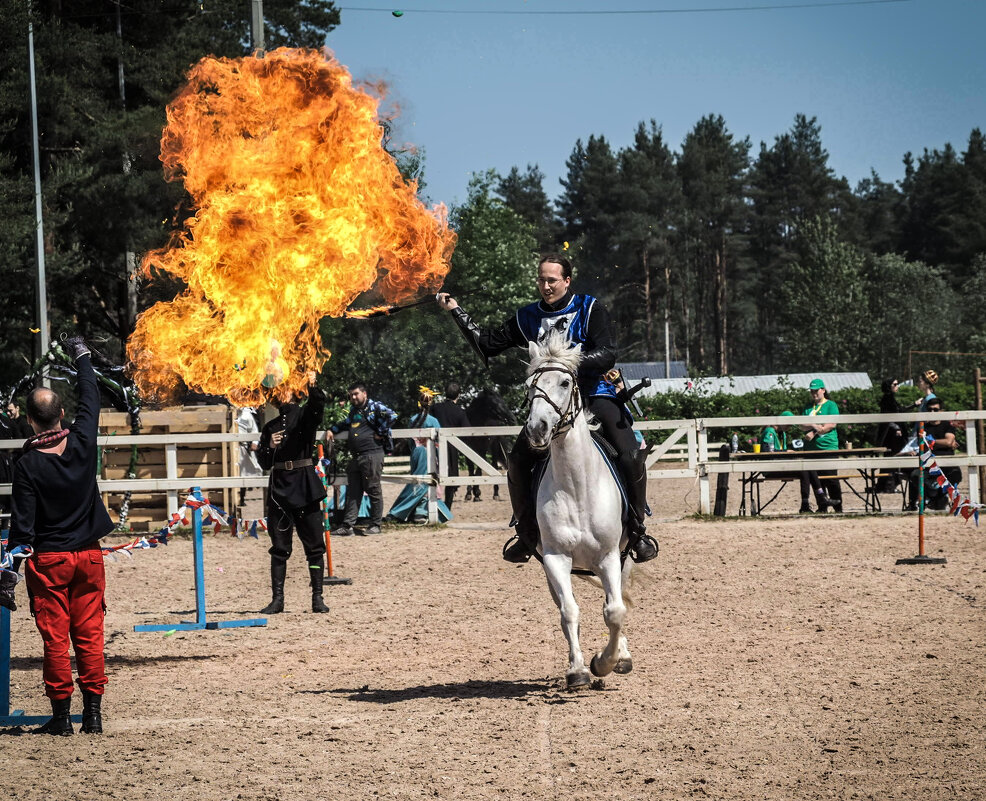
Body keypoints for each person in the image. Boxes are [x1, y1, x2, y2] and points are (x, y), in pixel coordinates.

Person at [437, 253, 658, 564]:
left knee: (631, 453)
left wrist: (566, 364)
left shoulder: (590, 308)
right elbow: (487, 343)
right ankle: (526, 534)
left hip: (595, 394)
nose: (545, 285)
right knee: (515, 459)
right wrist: (455, 310)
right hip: (550, 404)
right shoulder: (526, 317)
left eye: (552, 280)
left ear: (566, 280)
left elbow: (608, 353)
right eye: (541, 279)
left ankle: (637, 531)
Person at [7, 336, 110, 736]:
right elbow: (91, 398)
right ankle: (95, 717)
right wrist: (82, 356)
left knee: (55, 640)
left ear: (30, 421)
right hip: (89, 556)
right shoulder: (83, 440)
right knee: (90, 635)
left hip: (49, 562)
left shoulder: (27, 464)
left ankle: (62, 719)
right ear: (62, 414)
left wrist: (9, 573)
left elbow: (23, 527)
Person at [255, 373, 330, 614]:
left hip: (305, 487)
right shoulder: (270, 427)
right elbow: (264, 462)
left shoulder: (304, 417)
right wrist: (271, 446)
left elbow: (317, 407)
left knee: (315, 547)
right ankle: (278, 600)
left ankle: (317, 597)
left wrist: (313, 384)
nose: (277, 395)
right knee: (279, 547)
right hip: (280, 491)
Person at [326, 383, 398, 537]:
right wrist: (332, 430)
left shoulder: (375, 406)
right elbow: (345, 424)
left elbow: (392, 415)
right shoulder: (354, 412)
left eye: (356, 394)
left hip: (372, 454)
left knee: (373, 489)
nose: (353, 397)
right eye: (351, 394)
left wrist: (381, 432)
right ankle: (347, 526)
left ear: (364, 393)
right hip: (357, 456)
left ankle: (376, 525)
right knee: (353, 491)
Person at [387, 387, 452, 522]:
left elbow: (411, 442)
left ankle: (413, 512)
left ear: (419, 402)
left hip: (416, 453)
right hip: (430, 455)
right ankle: (420, 512)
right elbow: (439, 441)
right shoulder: (434, 421)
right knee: (427, 483)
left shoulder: (413, 420)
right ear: (431, 403)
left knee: (417, 482)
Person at [906, 397, 962, 511]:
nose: (932, 412)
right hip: (929, 464)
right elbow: (926, 445)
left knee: (956, 474)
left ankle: (940, 498)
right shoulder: (923, 427)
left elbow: (948, 441)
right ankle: (919, 502)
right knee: (914, 475)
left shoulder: (947, 425)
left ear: (941, 411)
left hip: (947, 465)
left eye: (935, 410)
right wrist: (945, 443)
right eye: (930, 409)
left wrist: (932, 442)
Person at [464, 388, 516, 502]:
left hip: (488, 434)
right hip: (476, 431)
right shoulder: (471, 413)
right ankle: (471, 488)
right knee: (471, 461)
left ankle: (493, 489)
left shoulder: (492, 419)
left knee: (493, 457)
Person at [799, 379, 842, 514]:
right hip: (811, 449)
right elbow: (801, 425)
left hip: (828, 447)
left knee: (831, 479)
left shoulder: (831, 405)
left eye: (816, 390)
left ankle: (838, 507)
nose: (814, 393)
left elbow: (831, 425)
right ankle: (822, 506)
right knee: (816, 479)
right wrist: (813, 426)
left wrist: (813, 431)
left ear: (823, 390)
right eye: (812, 391)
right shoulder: (807, 407)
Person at [429, 382, 471, 509]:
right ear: (458, 395)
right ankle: (447, 507)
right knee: (451, 479)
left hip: (434, 447)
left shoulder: (435, 407)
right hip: (451, 449)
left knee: (432, 476)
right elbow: (467, 431)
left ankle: (433, 506)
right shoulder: (460, 412)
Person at [875, 378, 906, 492]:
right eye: (895, 384)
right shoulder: (887, 399)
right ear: (890, 386)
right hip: (891, 434)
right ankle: (888, 485)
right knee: (892, 457)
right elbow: (887, 416)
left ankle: (886, 485)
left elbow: (899, 411)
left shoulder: (890, 398)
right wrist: (896, 427)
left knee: (891, 458)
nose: (897, 386)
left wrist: (913, 405)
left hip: (891, 433)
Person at [234, 406, 263, 508]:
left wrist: (254, 442)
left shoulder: (247, 415)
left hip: (242, 448)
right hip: (229, 448)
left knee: (244, 473)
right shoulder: (228, 414)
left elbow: (254, 430)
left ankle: (241, 498)